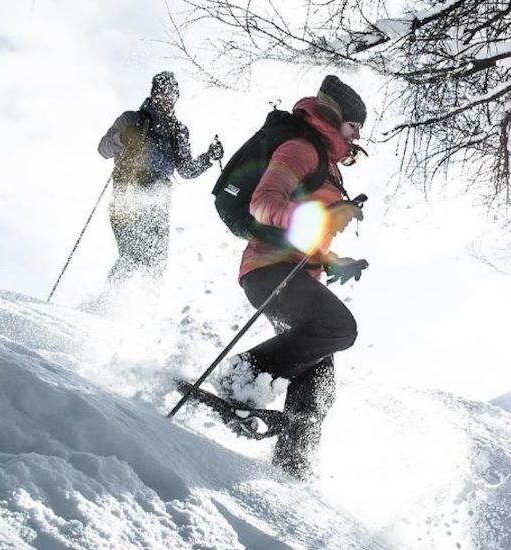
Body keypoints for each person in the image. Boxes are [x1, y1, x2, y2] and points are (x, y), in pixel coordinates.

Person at [215, 75, 370, 479]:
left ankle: (293, 470)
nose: (358, 136)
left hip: (295, 272)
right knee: (339, 326)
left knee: (317, 385)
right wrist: (324, 217)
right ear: (336, 119)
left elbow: (305, 233)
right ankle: (238, 379)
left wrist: (333, 260)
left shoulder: (329, 166)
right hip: (269, 270)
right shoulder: (301, 148)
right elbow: (264, 204)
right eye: (355, 126)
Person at [98, 71, 224, 282]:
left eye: (172, 95)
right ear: (153, 94)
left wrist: (208, 157)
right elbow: (103, 149)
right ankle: (110, 302)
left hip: (159, 201)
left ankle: (145, 309)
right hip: (127, 194)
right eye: (163, 93)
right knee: (131, 255)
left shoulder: (178, 131)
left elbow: (186, 170)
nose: (167, 99)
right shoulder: (131, 119)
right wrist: (123, 137)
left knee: (156, 262)